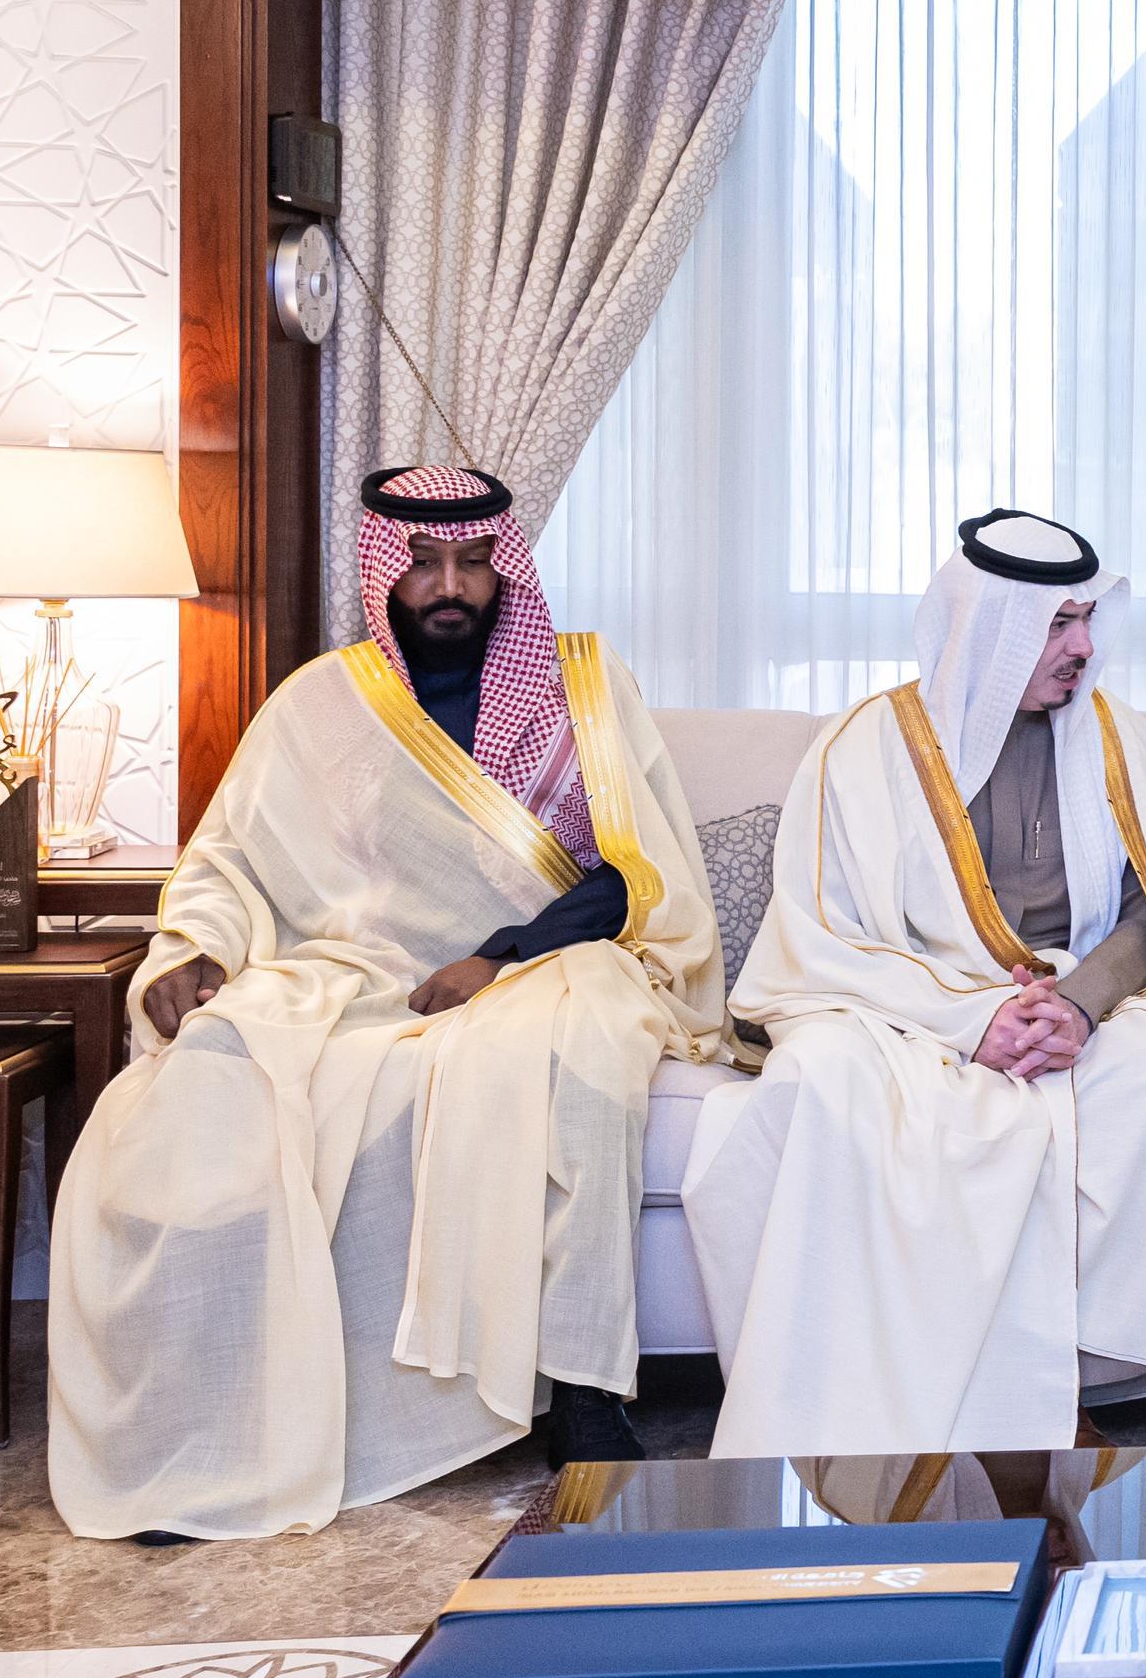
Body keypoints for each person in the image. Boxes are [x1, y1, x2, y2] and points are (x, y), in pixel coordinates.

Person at [48, 468, 725, 1540]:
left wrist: (495, 955)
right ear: (383, 574)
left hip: (551, 960)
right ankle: (211, 1421)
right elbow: (230, 858)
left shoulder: (585, 689)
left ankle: (585, 1390)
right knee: (220, 1057)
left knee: (584, 1050)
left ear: (504, 568)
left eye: (473, 563)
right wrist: (196, 948)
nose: (450, 586)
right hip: (359, 970)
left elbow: (630, 872)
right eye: (424, 565)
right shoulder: (322, 702)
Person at [682, 511, 1146, 1455]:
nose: (1084, 648)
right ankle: (876, 1387)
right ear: (989, 626)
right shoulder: (864, 745)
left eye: (1087, 620)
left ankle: (1092, 1376)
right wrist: (971, 1018)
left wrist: (1077, 1008)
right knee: (823, 1073)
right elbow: (824, 934)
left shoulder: (1118, 739)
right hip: (903, 1006)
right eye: (1058, 624)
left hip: (1074, 1001)